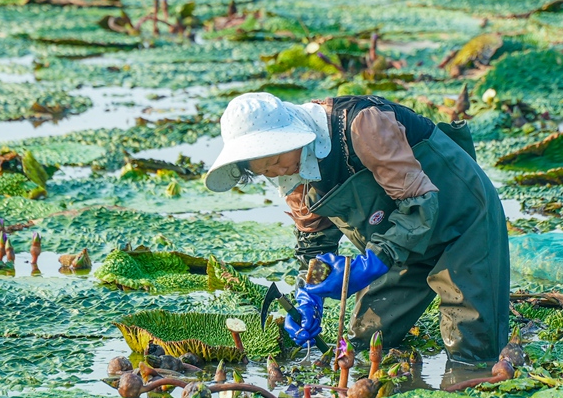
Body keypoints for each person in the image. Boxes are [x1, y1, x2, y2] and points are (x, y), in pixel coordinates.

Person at [204, 92, 509, 363]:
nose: (279, 171)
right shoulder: (293, 178)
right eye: (266, 171)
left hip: (461, 221)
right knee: (365, 342)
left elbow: (419, 203)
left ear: (293, 135)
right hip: (398, 243)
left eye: (277, 158)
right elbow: (315, 246)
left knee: (470, 348)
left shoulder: (362, 124)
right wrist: (310, 296)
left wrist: (369, 265)